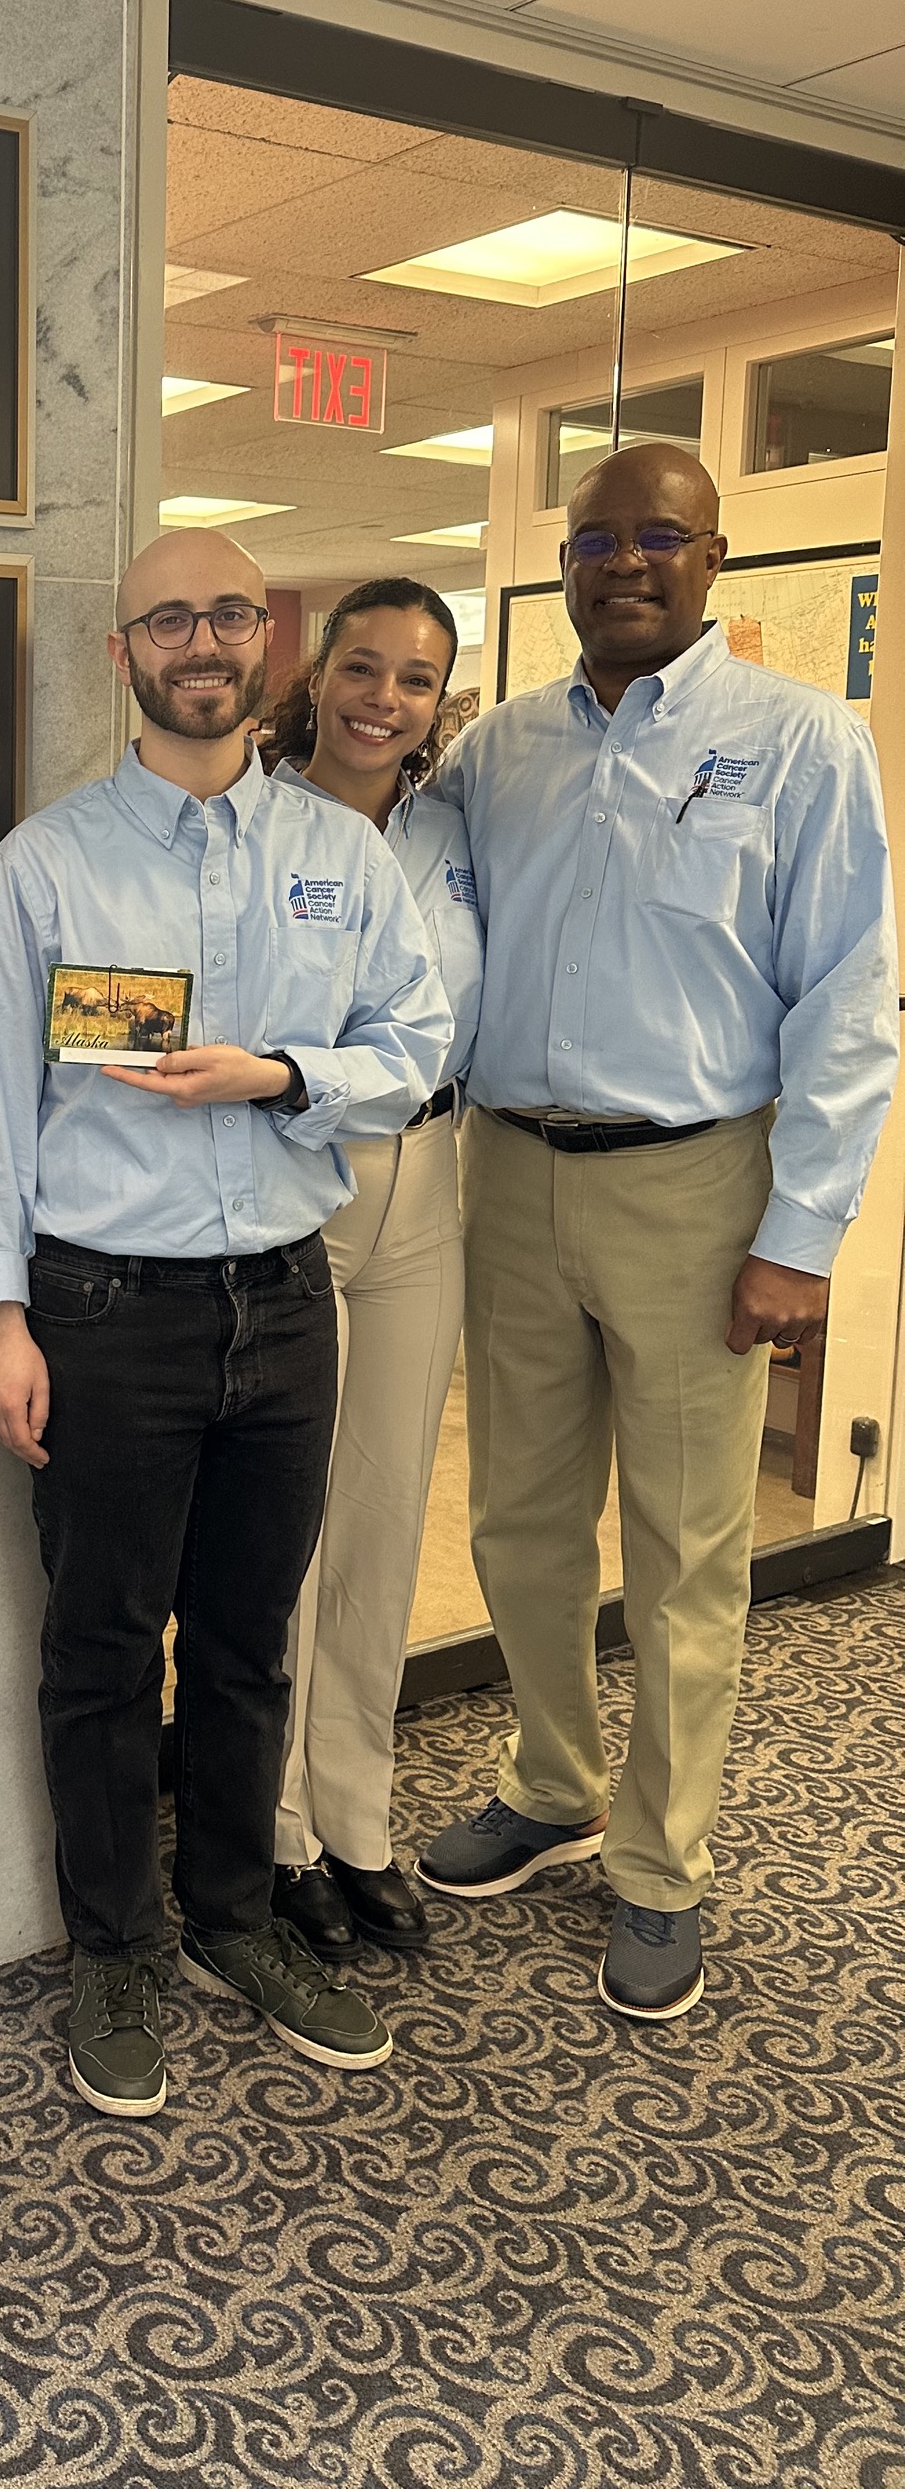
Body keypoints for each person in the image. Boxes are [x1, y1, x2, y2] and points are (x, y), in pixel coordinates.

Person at [0, 528, 452, 2118]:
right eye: (170, 617)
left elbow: (415, 1037)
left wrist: (282, 1076)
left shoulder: (338, 856)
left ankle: (234, 1916)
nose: (204, 640)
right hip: (103, 1307)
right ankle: (116, 1944)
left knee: (248, 1640)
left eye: (231, 612)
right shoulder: (46, 865)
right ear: (126, 656)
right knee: (101, 1646)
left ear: (265, 644)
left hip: (286, 1307)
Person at [417, 443, 897, 2022]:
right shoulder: (498, 751)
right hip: (511, 1169)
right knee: (519, 1515)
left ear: (712, 557)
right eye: (595, 538)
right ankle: (549, 1785)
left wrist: (803, 1232)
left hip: (700, 1183)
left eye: (658, 537)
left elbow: (846, 999)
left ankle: (658, 1866)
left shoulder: (804, 740)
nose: (623, 562)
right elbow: (419, 913)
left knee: (688, 1545)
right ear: (561, 561)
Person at [263, 579, 483, 1959]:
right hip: (296, 1179)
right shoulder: (252, 820)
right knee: (288, 1524)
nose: (381, 699)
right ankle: (273, 1828)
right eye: (360, 666)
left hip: (433, 1179)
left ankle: (355, 1814)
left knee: (388, 1512)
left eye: (413, 678)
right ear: (317, 673)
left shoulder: (455, 828)